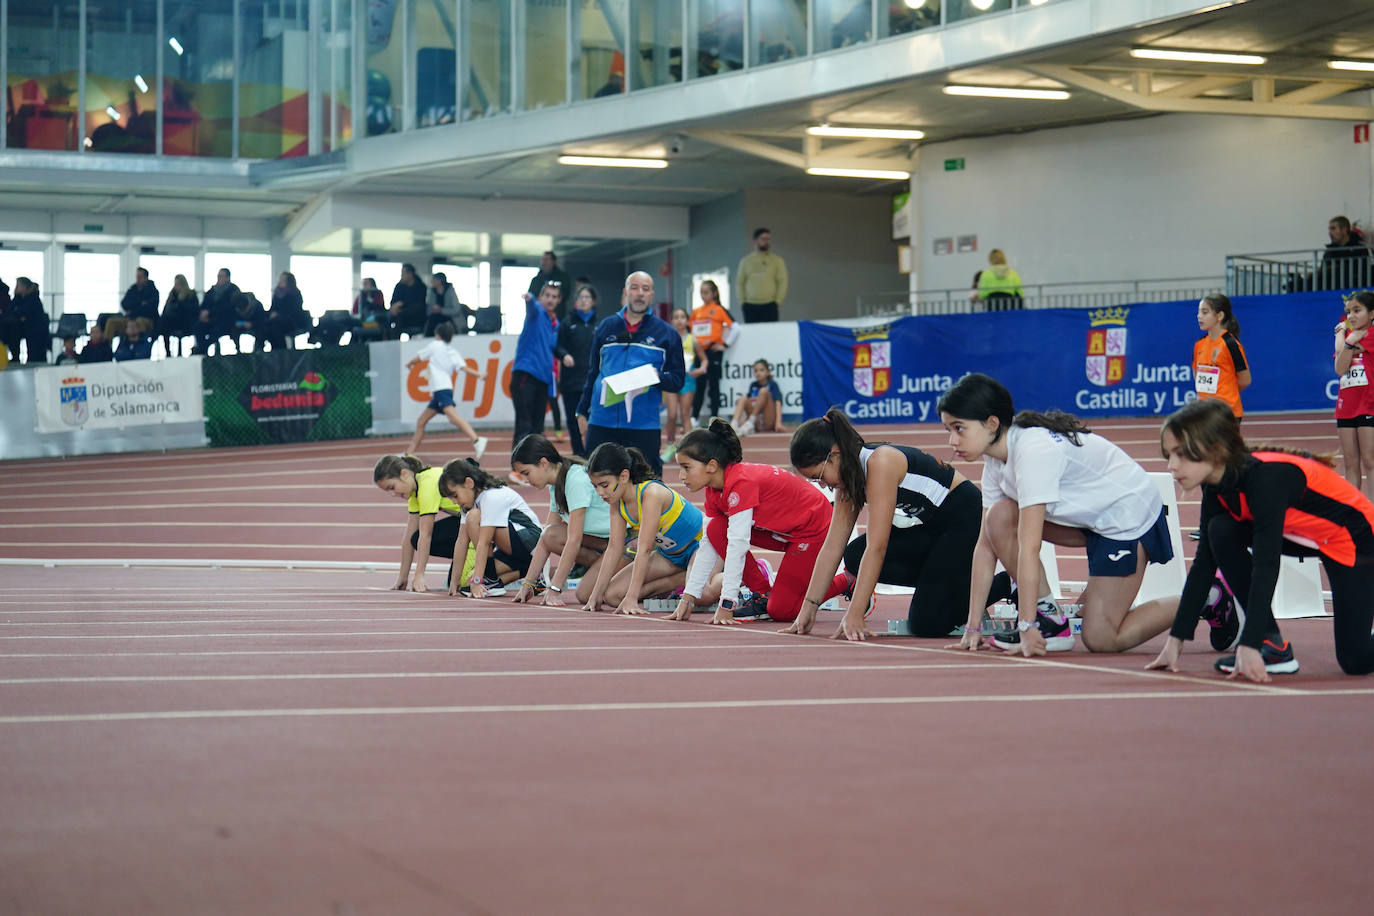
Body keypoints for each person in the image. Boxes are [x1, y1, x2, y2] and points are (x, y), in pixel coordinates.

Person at [938, 373, 1179, 656]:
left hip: (1128, 520)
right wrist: (973, 627)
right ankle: (1050, 619)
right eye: (947, 430)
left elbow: (1029, 548)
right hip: (1090, 519)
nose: (952, 441)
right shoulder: (996, 459)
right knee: (998, 518)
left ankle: (1205, 598)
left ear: (992, 423)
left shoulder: (1032, 452)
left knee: (1101, 638)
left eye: (959, 428)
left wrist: (1027, 626)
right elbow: (984, 547)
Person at [1149, 398, 1374, 680]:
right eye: (1168, 455)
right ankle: (1274, 646)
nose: (1171, 466)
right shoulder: (1216, 484)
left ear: (1216, 450)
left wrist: (1249, 642)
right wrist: (1176, 639)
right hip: (1304, 535)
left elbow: (1266, 564)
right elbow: (1204, 562)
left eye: (1180, 455)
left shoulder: (1266, 480)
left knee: (1356, 660)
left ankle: (1262, 641)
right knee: (1220, 530)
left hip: (1354, 537)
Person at [784, 407, 1010, 641]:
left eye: (819, 476)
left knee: (928, 623)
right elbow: (832, 546)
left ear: (835, 454)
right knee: (854, 555)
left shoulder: (880, 462)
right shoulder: (847, 479)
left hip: (962, 517)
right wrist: (807, 609)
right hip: (929, 527)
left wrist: (855, 613)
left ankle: (1008, 584)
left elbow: (878, 546)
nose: (822, 486)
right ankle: (949, 588)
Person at [670, 419, 846, 625]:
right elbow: (709, 544)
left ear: (711, 466)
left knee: (782, 610)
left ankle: (848, 580)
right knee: (715, 530)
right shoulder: (713, 490)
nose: (681, 476)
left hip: (813, 530)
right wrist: (688, 598)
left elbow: (738, 545)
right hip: (782, 530)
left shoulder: (741, 483)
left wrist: (727, 604)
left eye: (686, 467)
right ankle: (763, 594)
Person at [576, 271, 686, 477]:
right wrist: (581, 411)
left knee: (646, 486)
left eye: (645, 289)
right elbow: (593, 373)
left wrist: (656, 377)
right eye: (634, 288)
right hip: (602, 422)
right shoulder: (605, 327)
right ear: (626, 292)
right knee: (596, 484)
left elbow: (678, 380)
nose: (639, 293)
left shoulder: (667, 334)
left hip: (643, 425)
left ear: (652, 294)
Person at [582, 442, 706, 615]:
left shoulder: (651, 493)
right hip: (671, 556)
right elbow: (613, 548)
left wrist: (632, 597)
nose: (600, 493)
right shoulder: (616, 502)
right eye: (595, 486)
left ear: (624, 476)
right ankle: (681, 582)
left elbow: (645, 548)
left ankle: (729, 575)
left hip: (701, 546)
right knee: (612, 596)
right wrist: (595, 595)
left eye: (604, 485)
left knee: (701, 595)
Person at [509, 434, 617, 606]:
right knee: (551, 535)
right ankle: (606, 571)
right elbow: (546, 538)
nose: (526, 480)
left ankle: (627, 574)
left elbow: (574, 540)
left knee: (584, 594)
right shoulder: (556, 484)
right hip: (601, 543)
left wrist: (555, 589)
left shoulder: (576, 480)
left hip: (621, 543)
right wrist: (528, 584)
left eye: (526, 473)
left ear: (544, 463)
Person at [439, 458, 542, 598]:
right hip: (514, 551)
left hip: (530, 541)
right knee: (468, 582)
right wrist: (454, 582)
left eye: (455, 496)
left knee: (473, 517)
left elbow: (484, 542)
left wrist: (478, 580)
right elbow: (461, 541)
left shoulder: (491, 496)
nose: (455, 502)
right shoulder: (469, 503)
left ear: (469, 483)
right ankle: (532, 574)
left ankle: (492, 580)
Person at [373, 453, 469, 593]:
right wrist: (403, 576)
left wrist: (419, 575)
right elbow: (408, 539)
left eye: (392, 487)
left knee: (463, 583)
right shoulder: (415, 489)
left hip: (484, 521)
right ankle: (468, 558)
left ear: (404, 474)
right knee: (414, 539)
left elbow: (426, 534)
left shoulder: (427, 484)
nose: (392, 493)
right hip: (467, 520)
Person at [404, 321, 489, 460]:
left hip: (440, 389)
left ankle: (477, 440)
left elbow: (419, 357)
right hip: (444, 390)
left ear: (437, 335)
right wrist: (479, 374)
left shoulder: (435, 345)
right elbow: (464, 368)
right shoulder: (452, 352)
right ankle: (409, 454)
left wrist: (409, 364)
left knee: (453, 417)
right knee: (421, 421)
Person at [1334, 290, 1374, 500]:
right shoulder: (1350, 337)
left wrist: (1347, 344)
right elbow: (1340, 368)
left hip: (1369, 406)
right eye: (1349, 311)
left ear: (1372, 313)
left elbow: (1344, 353)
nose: (1351, 316)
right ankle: (1353, 513)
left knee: (1370, 462)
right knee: (1350, 464)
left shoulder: (1372, 334)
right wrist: (1346, 340)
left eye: (1357, 310)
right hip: (1345, 408)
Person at [512, 281, 561, 447]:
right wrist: (529, 298)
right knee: (524, 424)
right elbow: (532, 306)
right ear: (541, 297)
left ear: (559, 300)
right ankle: (517, 468)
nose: (550, 299)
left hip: (543, 379)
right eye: (547, 295)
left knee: (537, 428)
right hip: (526, 374)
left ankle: (530, 469)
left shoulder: (556, 324)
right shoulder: (537, 312)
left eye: (554, 297)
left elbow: (555, 348)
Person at [555, 284, 598, 456]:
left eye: (587, 297)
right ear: (576, 301)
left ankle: (592, 453)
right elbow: (557, 346)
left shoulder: (600, 325)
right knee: (573, 422)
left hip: (592, 382)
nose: (584, 301)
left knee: (591, 420)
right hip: (571, 382)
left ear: (593, 301)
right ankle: (578, 454)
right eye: (581, 297)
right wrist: (564, 355)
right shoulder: (567, 323)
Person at [1193, 294, 1251, 420]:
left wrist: (1225, 392)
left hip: (1227, 412)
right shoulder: (1199, 344)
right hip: (1204, 412)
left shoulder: (1230, 344)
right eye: (1199, 312)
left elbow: (1245, 380)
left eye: (1205, 312)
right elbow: (1197, 374)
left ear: (1219, 316)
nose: (1199, 316)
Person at [661, 307, 707, 462]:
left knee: (685, 414)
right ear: (671, 321)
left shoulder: (692, 339)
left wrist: (701, 369)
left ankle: (690, 449)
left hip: (687, 379)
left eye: (682, 317)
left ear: (687, 321)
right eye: (676, 317)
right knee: (672, 415)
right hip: (671, 378)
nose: (679, 320)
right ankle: (670, 445)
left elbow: (704, 359)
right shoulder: (666, 338)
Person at [690, 279, 733, 425]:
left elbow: (735, 327)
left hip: (714, 351)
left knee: (714, 385)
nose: (703, 295)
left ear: (714, 293)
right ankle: (694, 418)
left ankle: (714, 418)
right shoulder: (696, 312)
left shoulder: (720, 309)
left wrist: (725, 344)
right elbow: (691, 331)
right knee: (700, 386)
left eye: (706, 292)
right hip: (699, 352)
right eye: (701, 292)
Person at [736, 227, 788, 323]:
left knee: (770, 333)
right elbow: (740, 282)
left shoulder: (777, 260)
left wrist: (778, 301)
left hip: (770, 305)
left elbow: (782, 281)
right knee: (753, 334)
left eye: (768, 239)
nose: (766, 242)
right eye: (763, 239)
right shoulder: (746, 261)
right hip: (750, 305)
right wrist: (742, 302)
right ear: (756, 240)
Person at [193, 268, 240, 355]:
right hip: (211, 319)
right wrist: (203, 314)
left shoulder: (233, 290)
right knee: (198, 327)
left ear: (227, 277)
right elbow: (204, 305)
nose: (219, 278)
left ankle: (201, 348)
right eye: (218, 276)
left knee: (216, 331)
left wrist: (210, 312)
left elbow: (229, 307)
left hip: (226, 320)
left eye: (221, 276)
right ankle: (202, 350)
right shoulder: (212, 291)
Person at [731, 359, 784, 435]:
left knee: (763, 391)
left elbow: (778, 403)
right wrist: (742, 423)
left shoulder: (773, 384)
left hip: (768, 420)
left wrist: (778, 423)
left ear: (768, 372)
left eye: (761, 370)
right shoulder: (753, 385)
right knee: (742, 398)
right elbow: (750, 405)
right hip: (756, 421)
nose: (758, 373)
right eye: (755, 371)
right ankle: (733, 425)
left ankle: (750, 422)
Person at [5, 277, 48, 364]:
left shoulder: (33, 298)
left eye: (18, 286)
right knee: (11, 330)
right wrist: (16, 298)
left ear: (24, 287)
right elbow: (10, 311)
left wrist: (18, 313)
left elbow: (21, 312)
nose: (15, 288)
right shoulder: (20, 299)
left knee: (35, 353)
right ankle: (15, 357)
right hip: (25, 327)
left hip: (35, 329)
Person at [1321, 215, 1369, 290]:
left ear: (1344, 230)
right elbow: (1324, 269)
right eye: (1329, 229)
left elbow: (1360, 270)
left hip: (1354, 287)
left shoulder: (1359, 248)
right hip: (1329, 288)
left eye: (1333, 229)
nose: (1330, 233)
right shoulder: (1329, 251)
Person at [262, 271, 307, 351]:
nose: (280, 281)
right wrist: (271, 314)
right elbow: (273, 308)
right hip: (277, 321)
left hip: (291, 321)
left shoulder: (295, 293)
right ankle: (274, 352)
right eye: (280, 279)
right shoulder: (277, 293)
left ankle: (282, 352)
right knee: (267, 327)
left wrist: (279, 315)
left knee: (276, 328)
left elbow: (295, 310)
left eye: (283, 280)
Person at [159, 274, 198, 357]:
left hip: (186, 322)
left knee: (166, 321)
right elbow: (166, 310)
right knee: (163, 322)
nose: (176, 286)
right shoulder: (172, 296)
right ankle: (168, 352)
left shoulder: (190, 294)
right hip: (172, 322)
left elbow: (193, 311)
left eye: (178, 284)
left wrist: (180, 304)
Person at [525, 251, 572, 317]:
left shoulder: (563, 278)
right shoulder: (536, 280)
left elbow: (566, 294)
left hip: (558, 315)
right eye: (543, 259)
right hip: (539, 314)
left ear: (554, 262)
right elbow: (531, 297)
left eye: (547, 259)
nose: (544, 262)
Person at [388, 263, 428, 339]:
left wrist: (402, 303)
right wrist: (394, 307)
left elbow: (419, 303)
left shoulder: (421, 287)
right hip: (400, 316)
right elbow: (393, 301)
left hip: (415, 317)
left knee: (416, 307)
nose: (401, 276)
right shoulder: (399, 286)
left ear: (410, 274)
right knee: (393, 319)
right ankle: (391, 341)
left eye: (403, 273)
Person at [424, 271, 470, 336]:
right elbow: (428, 309)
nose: (432, 282)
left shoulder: (450, 292)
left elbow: (456, 309)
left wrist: (441, 310)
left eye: (434, 280)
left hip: (451, 319)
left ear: (440, 281)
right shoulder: (431, 293)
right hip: (434, 320)